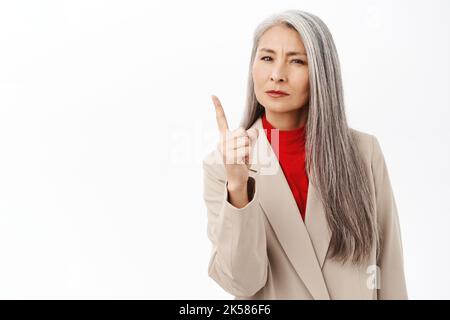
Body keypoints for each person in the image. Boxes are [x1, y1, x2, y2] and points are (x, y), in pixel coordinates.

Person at [202, 9, 407, 299]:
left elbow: (390, 268)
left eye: (296, 61)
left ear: (321, 73)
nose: (277, 75)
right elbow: (243, 283)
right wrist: (237, 187)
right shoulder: (220, 166)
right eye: (267, 58)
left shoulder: (364, 153)